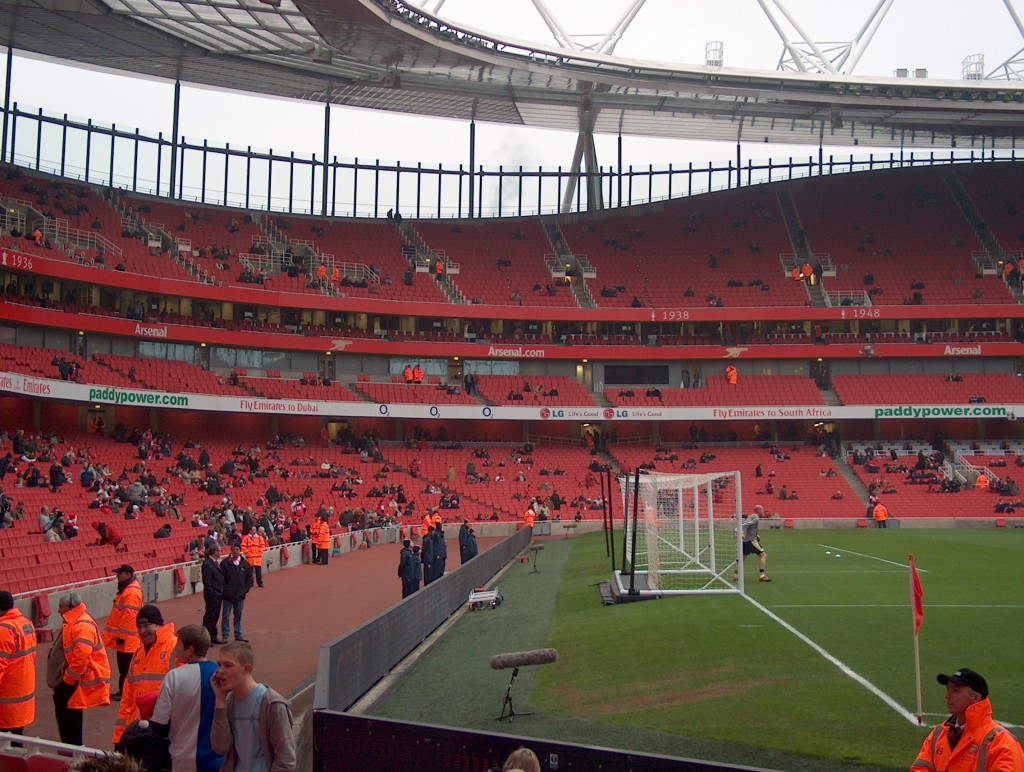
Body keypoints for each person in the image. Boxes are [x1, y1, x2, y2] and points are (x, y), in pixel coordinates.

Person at [912, 668, 1024, 771]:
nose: (947, 695)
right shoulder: (938, 735)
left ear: (976, 697)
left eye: (955, 691)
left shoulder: (1001, 743)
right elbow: (920, 768)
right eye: (948, 690)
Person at [210, 640, 296, 771]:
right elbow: (220, 747)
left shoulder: (272, 704)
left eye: (228, 665)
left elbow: (286, 759)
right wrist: (220, 700)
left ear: (247, 669)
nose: (220, 671)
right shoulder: (228, 703)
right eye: (219, 665)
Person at [149, 624, 224, 772]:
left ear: (190, 650)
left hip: (183, 760)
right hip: (216, 759)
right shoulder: (221, 675)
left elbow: (159, 725)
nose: (175, 647)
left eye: (178, 644)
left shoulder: (174, 676)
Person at [113, 604, 178, 747]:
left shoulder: (175, 648)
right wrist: (119, 737)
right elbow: (127, 699)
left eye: (147, 625)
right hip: (140, 730)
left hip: (163, 731)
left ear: (159, 625)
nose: (142, 631)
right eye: (139, 627)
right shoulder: (138, 653)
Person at [55, 592, 111, 745]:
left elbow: (81, 657)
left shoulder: (81, 624)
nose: (58, 610)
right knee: (69, 712)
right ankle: (70, 747)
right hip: (75, 678)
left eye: (61, 606)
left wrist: (67, 680)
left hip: (76, 679)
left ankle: (72, 749)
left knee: (69, 715)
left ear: (70, 607)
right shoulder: (75, 621)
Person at [103, 564, 144, 700]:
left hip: (127, 639)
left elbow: (129, 617)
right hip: (127, 638)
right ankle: (123, 691)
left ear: (127, 574)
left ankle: (125, 693)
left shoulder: (131, 591)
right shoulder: (128, 589)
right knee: (124, 668)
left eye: (119, 574)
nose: (117, 576)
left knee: (125, 668)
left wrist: (121, 636)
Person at [0, 590, 36, 736]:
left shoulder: (4, 629)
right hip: (23, 693)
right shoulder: (26, 623)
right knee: (17, 742)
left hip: (7, 700)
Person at [221, 544, 253, 643]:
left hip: (240, 595)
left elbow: (249, 578)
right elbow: (222, 579)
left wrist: (245, 589)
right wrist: (225, 591)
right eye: (233, 549)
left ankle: (238, 634)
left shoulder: (245, 564)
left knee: (238, 615)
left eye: (237, 549)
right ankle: (225, 634)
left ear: (240, 550)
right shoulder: (225, 563)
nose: (235, 551)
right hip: (228, 595)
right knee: (226, 616)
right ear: (231, 551)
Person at [739, 505, 771, 583]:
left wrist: (755, 535)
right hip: (751, 541)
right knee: (763, 555)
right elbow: (745, 525)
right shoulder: (756, 518)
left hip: (746, 540)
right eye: (762, 510)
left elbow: (747, 525)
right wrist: (739, 529)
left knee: (743, 558)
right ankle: (762, 575)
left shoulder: (751, 516)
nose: (763, 512)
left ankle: (736, 575)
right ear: (759, 510)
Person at [201, 544, 227, 645]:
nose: (221, 552)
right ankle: (206, 638)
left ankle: (213, 636)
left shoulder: (214, 563)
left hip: (218, 593)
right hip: (212, 594)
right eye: (219, 551)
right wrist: (212, 593)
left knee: (215, 615)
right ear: (215, 552)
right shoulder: (207, 564)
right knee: (210, 616)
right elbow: (207, 581)